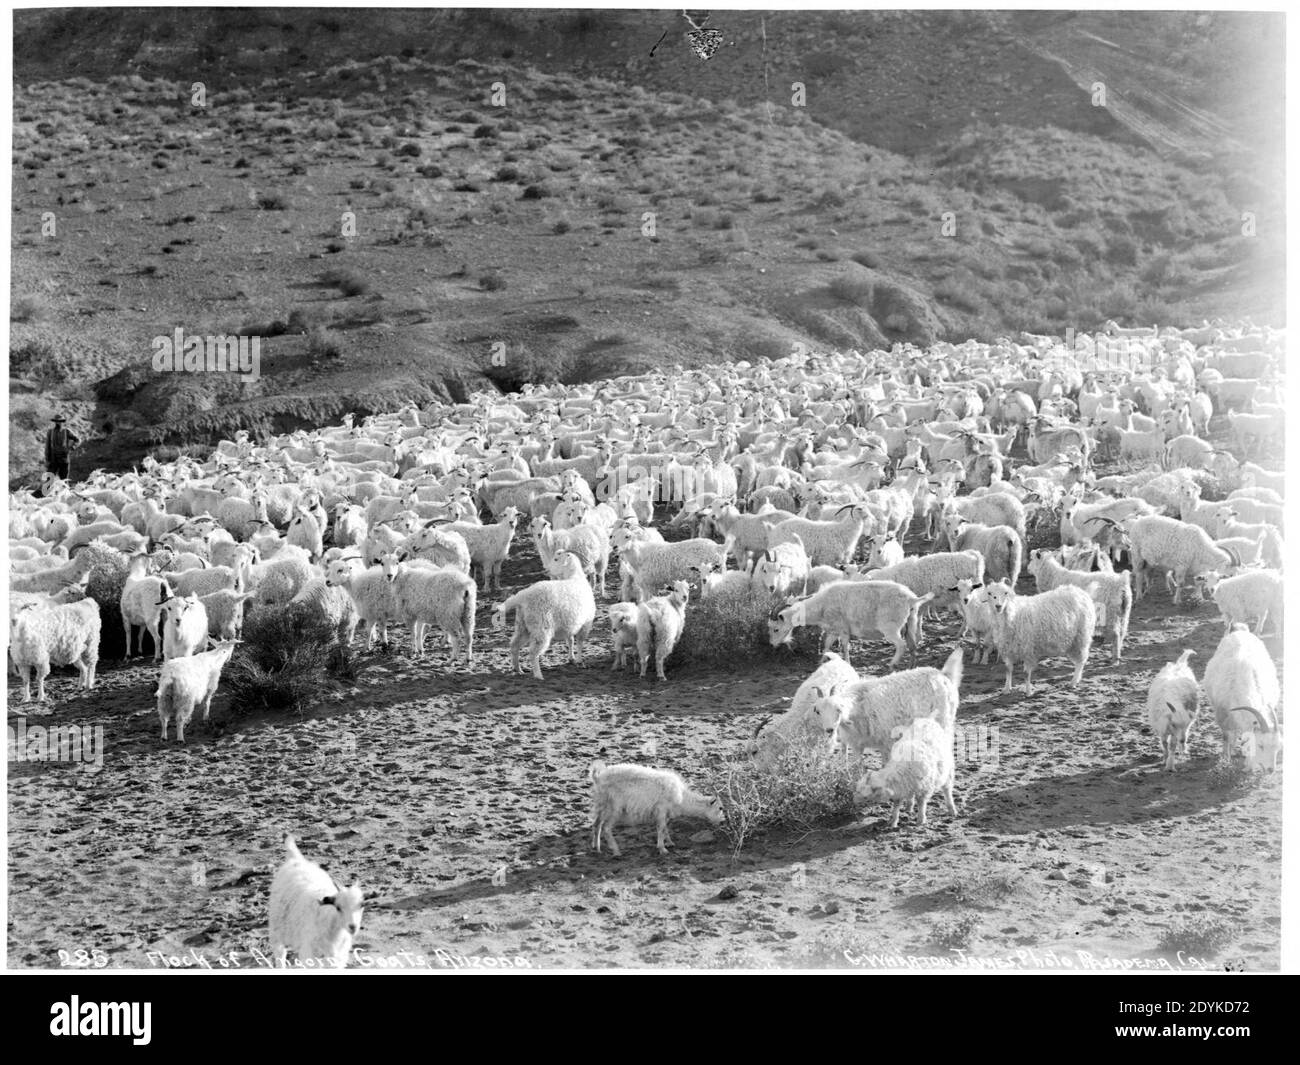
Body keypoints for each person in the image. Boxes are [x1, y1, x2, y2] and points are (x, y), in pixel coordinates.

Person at [45, 414, 79, 481]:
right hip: (53, 460)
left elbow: (77, 440)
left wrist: (71, 448)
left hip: (64, 459)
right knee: (49, 480)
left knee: (64, 480)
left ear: (62, 422)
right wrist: (47, 459)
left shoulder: (66, 431)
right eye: (57, 421)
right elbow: (47, 447)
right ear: (55, 422)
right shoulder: (50, 432)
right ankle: (46, 491)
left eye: (60, 421)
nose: (59, 422)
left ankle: (65, 491)